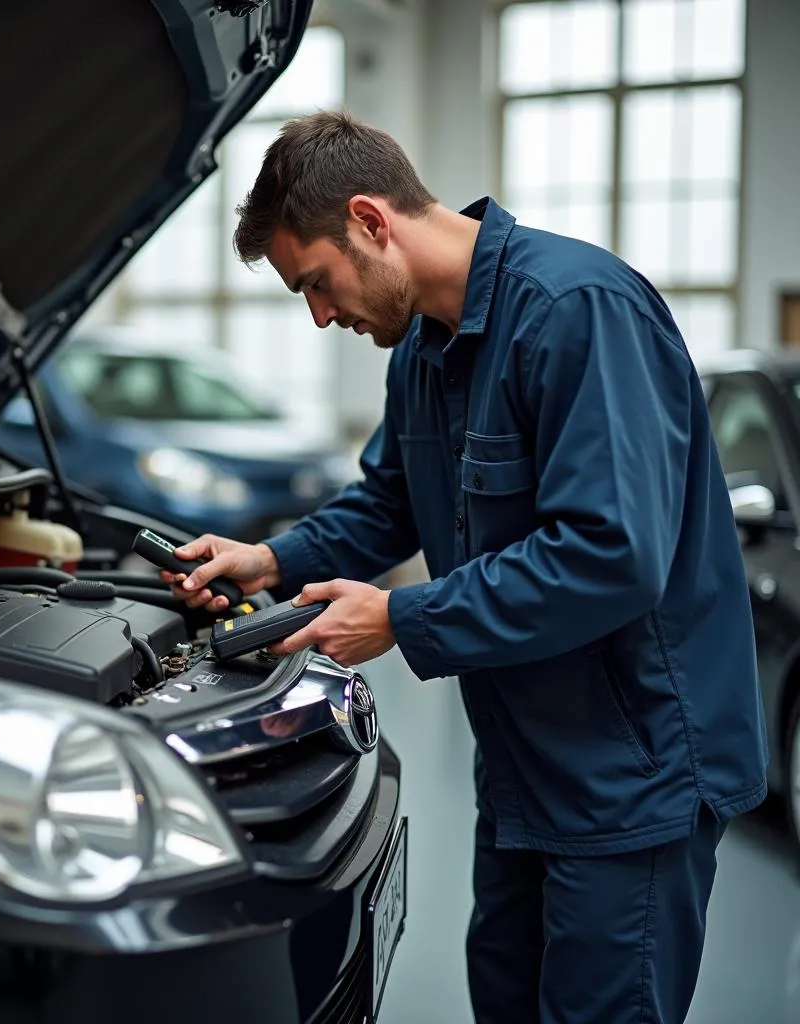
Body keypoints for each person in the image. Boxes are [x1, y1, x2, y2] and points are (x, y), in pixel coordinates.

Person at [159, 110, 768, 1024]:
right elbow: (389, 504)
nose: (321, 316)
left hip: (632, 776)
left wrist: (401, 619)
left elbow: (610, 555)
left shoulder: (575, 312)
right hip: (525, 768)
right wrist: (270, 557)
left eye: (316, 284)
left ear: (371, 220)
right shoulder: (423, 353)